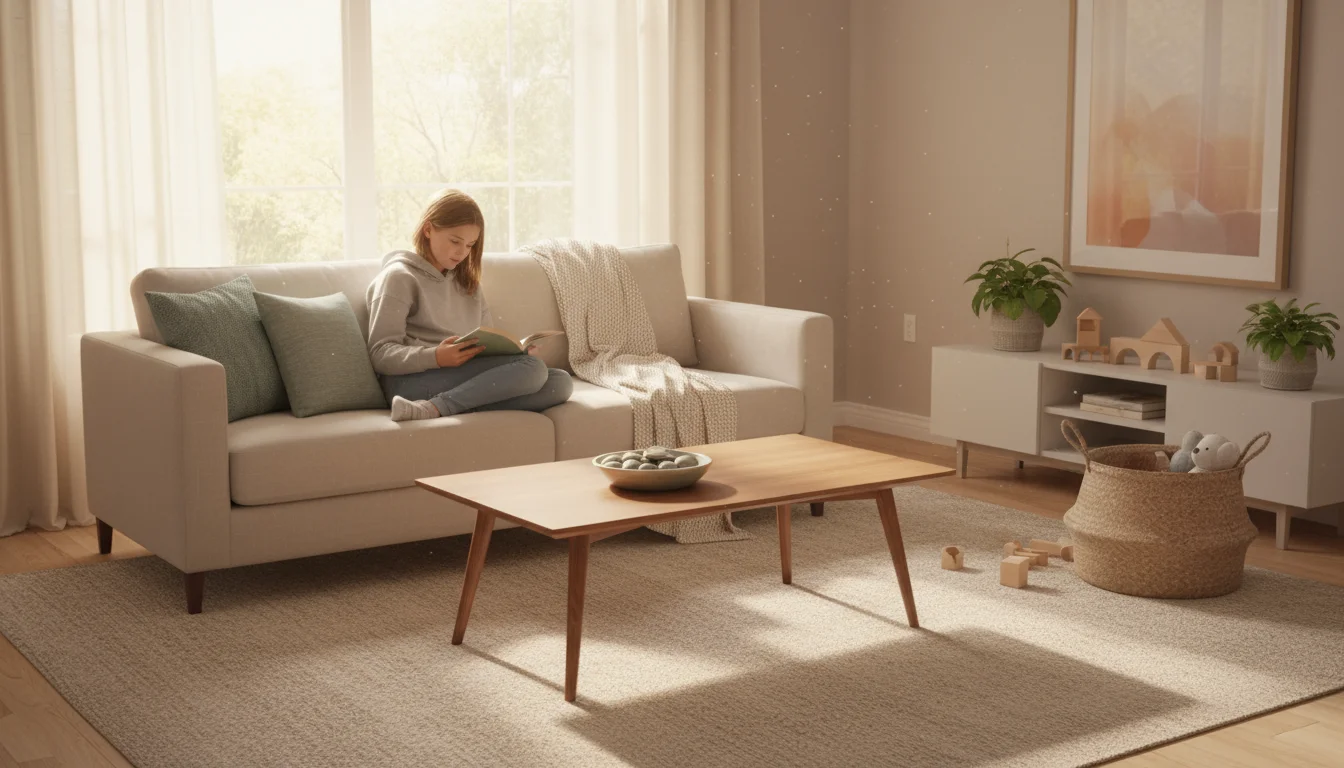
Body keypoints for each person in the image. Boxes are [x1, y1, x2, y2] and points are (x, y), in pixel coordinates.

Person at [365, 189, 572, 422]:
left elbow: (486, 341)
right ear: (428, 230)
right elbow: (380, 353)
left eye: (470, 245)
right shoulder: (398, 277)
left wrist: (512, 352)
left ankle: (439, 406)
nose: (462, 253)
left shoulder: (468, 285)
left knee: (559, 382)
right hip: (410, 380)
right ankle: (437, 407)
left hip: (458, 378)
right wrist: (436, 356)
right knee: (533, 370)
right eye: (455, 241)